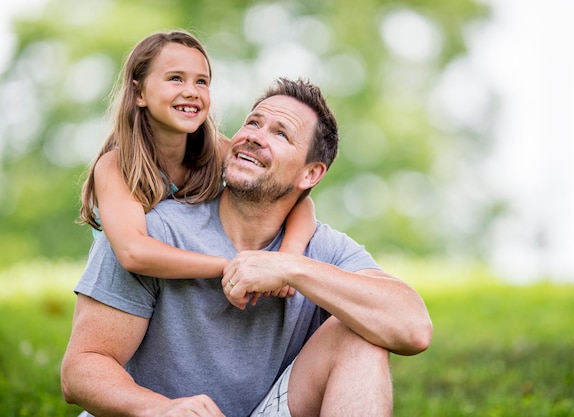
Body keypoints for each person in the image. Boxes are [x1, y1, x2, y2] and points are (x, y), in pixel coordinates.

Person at [61, 77, 433, 417]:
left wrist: (290, 267)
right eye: (253, 123)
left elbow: (413, 329)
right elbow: (81, 369)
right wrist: (159, 409)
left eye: (281, 134)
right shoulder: (156, 229)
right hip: (155, 412)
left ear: (310, 174)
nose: (255, 136)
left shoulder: (322, 249)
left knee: (361, 334)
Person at [79, 30, 315, 294]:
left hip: (187, 289)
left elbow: (299, 199)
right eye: (176, 79)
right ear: (139, 94)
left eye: (201, 82)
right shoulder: (116, 166)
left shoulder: (217, 151)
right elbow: (133, 253)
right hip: (125, 289)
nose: (191, 91)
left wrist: (285, 262)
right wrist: (232, 267)